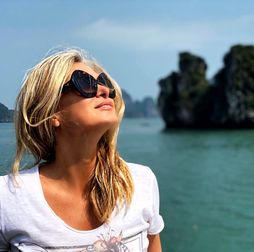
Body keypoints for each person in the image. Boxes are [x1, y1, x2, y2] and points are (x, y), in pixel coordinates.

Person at [0, 48, 164, 251]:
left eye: (105, 82)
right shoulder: (7, 198)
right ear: (52, 112)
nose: (104, 90)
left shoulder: (141, 182)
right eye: (84, 82)